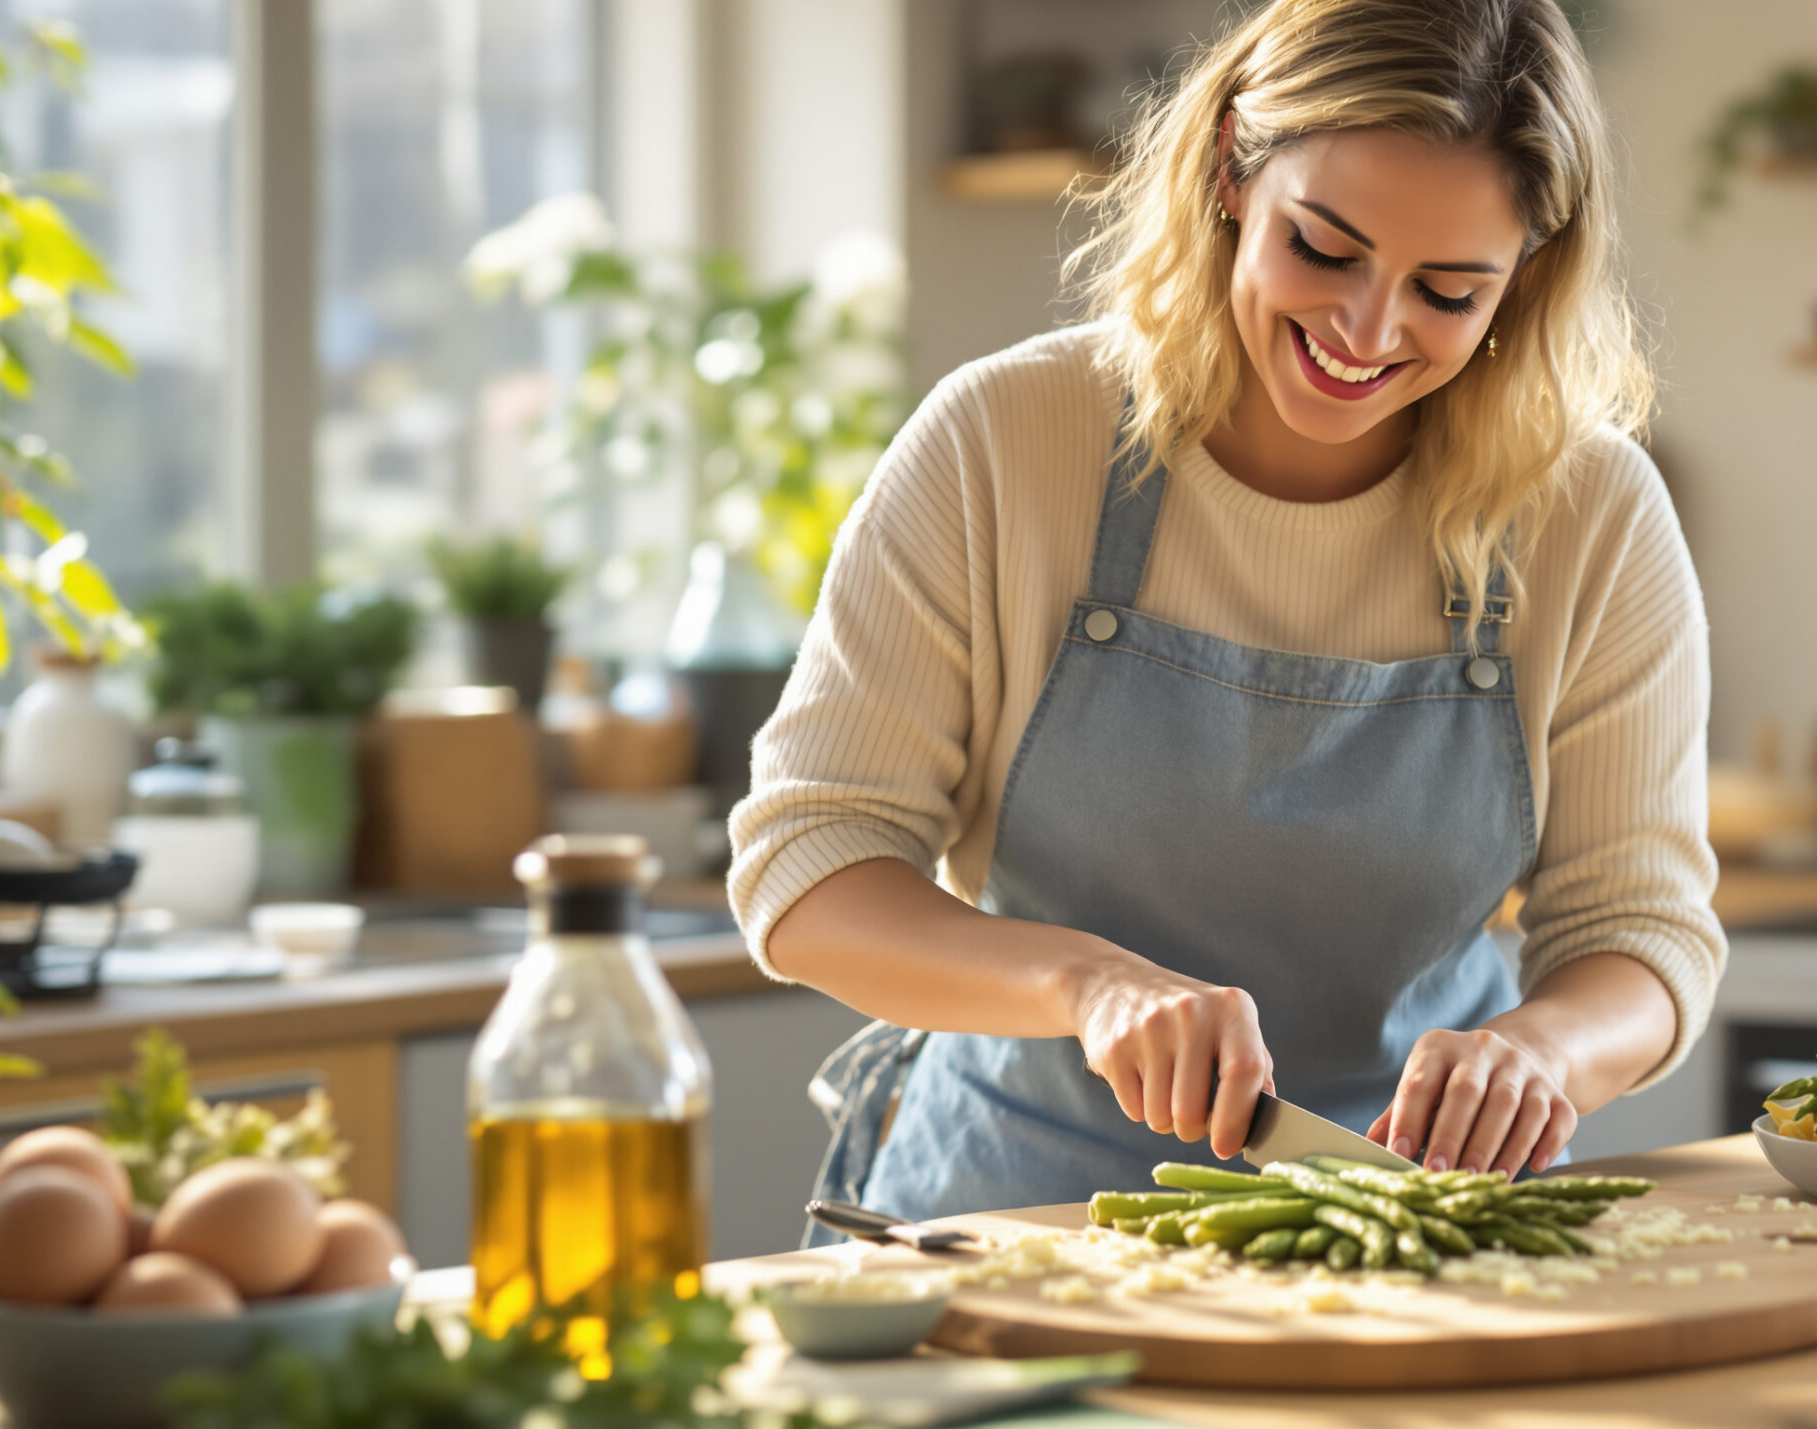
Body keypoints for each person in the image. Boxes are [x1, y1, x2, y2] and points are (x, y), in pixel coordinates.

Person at [728, 0, 1723, 1231]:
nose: (1368, 332)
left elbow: (1641, 931)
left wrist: (1544, 1052)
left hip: (1400, 1227)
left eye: (1449, 292)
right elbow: (812, 866)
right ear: (1229, 169)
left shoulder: (1587, 513)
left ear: (1523, 278)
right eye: (1325, 249)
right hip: (1011, 1217)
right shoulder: (1007, 441)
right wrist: (1087, 984)